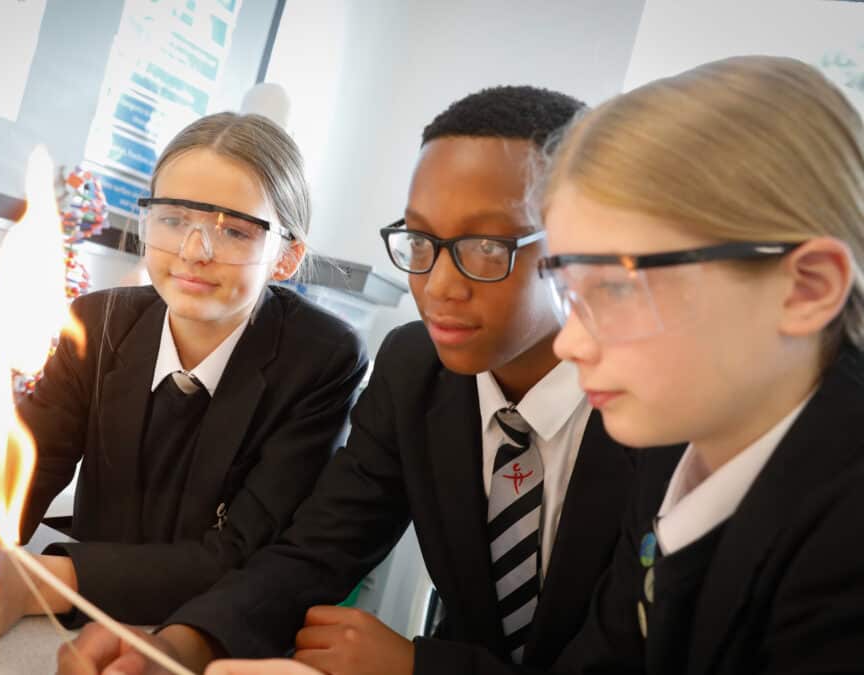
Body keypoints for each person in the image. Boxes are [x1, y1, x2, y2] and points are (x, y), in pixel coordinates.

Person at [55, 85, 683, 675]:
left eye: (488, 246)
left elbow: (636, 652)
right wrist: (180, 646)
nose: (438, 286)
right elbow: (321, 547)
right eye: (421, 241)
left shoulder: (668, 409)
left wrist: (418, 667)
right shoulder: (416, 369)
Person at [0, 112, 368, 639]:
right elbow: (19, 482)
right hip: (83, 631)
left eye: (235, 231)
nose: (195, 252)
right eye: (173, 219)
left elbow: (250, 559)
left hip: (208, 642)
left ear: (285, 257)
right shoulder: (98, 324)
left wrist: (41, 583)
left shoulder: (322, 358)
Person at [538, 54, 864, 674]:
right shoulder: (676, 446)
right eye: (568, 292)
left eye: (617, 288)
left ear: (807, 287)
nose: (569, 343)